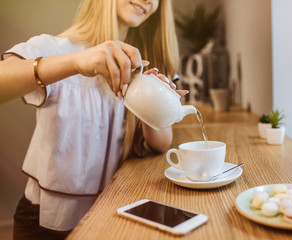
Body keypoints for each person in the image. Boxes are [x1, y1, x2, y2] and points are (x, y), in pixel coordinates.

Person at [0, 0, 187, 239]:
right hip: (44, 223)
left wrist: (150, 98)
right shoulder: (53, 48)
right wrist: (76, 62)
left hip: (111, 216)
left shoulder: (145, 64)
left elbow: (162, 143)